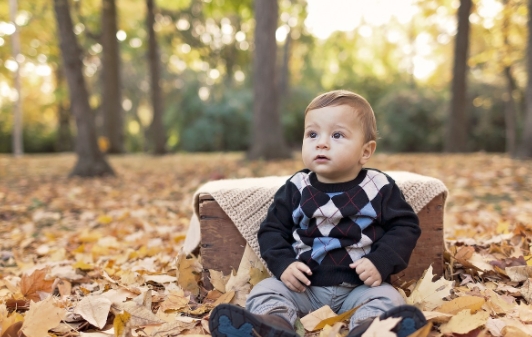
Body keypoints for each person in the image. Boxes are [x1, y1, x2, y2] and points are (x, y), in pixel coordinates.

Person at [209, 90, 427, 337]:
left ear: (366, 151)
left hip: (360, 288)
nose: (321, 142)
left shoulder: (379, 186)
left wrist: (381, 261)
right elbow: (272, 230)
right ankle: (274, 324)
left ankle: (370, 329)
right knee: (266, 290)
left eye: (337, 135)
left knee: (387, 297)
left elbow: (405, 226)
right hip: (304, 289)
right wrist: (284, 264)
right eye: (312, 134)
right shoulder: (298, 187)